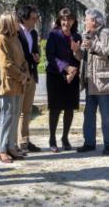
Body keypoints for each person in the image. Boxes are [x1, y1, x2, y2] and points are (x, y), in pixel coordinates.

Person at [76, 8, 109, 155]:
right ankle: (89, 143)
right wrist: (76, 51)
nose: (84, 22)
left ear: (93, 21)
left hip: (104, 83)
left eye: (86, 19)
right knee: (88, 115)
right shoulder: (86, 35)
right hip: (90, 82)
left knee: (107, 116)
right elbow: (85, 58)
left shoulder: (108, 33)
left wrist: (93, 46)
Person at [45, 8, 82, 152]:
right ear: (59, 20)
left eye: (69, 19)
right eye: (64, 19)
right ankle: (52, 138)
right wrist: (66, 68)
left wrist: (76, 51)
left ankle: (65, 137)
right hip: (55, 75)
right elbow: (50, 56)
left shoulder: (77, 35)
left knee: (69, 108)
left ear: (74, 21)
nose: (66, 22)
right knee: (55, 108)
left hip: (73, 77)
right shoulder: (53, 34)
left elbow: (80, 58)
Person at [0, 12, 30, 163]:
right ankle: (1, 149)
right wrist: (21, 76)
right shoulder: (0, 39)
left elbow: (23, 60)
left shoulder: (15, 37)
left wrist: (26, 73)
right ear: (9, 22)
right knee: (7, 117)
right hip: (8, 84)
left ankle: (11, 146)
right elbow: (6, 64)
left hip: (19, 84)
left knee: (15, 115)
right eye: (16, 20)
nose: (19, 22)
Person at [16, 5, 41, 153]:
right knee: (17, 111)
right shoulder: (15, 32)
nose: (35, 21)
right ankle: (15, 144)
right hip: (19, 76)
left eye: (36, 18)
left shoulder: (34, 33)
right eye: (33, 18)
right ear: (23, 19)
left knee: (27, 110)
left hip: (31, 74)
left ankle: (25, 141)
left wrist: (37, 58)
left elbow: (35, 51)